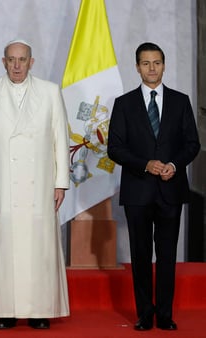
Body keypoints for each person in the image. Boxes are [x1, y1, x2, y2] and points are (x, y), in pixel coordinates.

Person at [0, 39, 70, 330]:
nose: (16, 65)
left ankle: (39, 310)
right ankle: (5, 310)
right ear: (3, 62)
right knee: (4, 249)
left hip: (40, 185)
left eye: (22, 60)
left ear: (31, 62)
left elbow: (59, 140)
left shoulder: (50, 92)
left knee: (40, 248)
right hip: (1, 184)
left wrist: (60, 182)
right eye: (11, 60)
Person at [108, 42, 200, 331]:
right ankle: (145, 314)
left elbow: (192, 144)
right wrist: (145, 164)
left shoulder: (180, 101)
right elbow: (115, 148)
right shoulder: (124, 104)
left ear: (164, 65)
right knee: (140, 254)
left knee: (168, 255)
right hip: (138, 190)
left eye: (157, 62)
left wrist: (173, 165)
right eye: (146, 63)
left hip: (171, 190)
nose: (151, 68)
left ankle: (165, 314)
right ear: (137, 67)